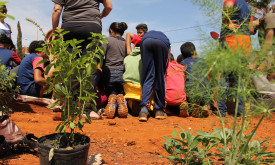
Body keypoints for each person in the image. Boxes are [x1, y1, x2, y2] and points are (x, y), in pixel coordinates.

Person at [218, 0, 254, 117]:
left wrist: (225, 22)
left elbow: (228, 6)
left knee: (224, 75)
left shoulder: (231, 0)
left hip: (231, 39)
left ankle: (221, 110)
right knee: (240, 77)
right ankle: (241, 110)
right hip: (245, 41)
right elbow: (252, 29)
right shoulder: (248, 7)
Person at [138, 30, 170, 122]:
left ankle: (143, 110)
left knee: (148, 76)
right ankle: (159, 110)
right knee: (160, 76)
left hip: (145, 41)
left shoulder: (146, 35)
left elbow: (144, 60)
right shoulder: (165, 38)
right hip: (162, 43)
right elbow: (166, 66)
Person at [102, 22, 128, 119]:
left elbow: (100, 55)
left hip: (109, 72)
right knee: (121, 93)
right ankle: (122, 104)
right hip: (122, 71)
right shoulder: (126, 42)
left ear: (111, 30)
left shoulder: (107, 40)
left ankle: (112, 103)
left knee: (111, 93)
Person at [180, 42, 210, 118]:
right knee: (205, 86)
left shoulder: (182, 63)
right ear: (195, 51)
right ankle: (205, 105)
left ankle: (193, 106)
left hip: (191, 93)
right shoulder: (204, 62)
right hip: (205, 93)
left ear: (182, 56)